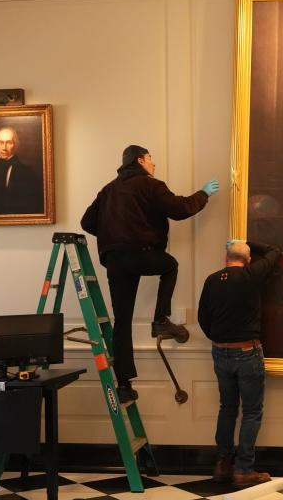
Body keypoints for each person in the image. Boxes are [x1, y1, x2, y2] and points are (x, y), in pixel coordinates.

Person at [81, 145, 219, 403]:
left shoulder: (108, 189)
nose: (154, 164)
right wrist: (204, 193)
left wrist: (116, 234)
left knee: (121, 322)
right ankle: (160, 319)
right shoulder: (149, 184)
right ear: (141, 160)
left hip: (115, 261)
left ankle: (123, 386)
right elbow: (180, 209)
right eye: (151, 159)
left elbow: (87, 222)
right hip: (140, 254)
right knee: (170, 265)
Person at [198, 239, 281, 487]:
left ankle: (223, 464)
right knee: (252, 412)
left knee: (227, 408)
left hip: (220, 352)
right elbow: (274, 250)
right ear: (247, 260)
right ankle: (244, 469)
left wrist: (218, 338)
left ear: (226, 259)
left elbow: (203, 318)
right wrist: (248, 242)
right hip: (247, 352)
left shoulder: (212, 280)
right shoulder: (251, 274)